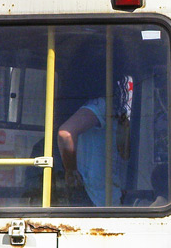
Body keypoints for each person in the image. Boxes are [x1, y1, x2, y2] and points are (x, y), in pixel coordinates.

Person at [56, 50, 134, 207]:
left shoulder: (108, 108)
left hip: (100, 191)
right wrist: (71, 171)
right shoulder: (100, 106)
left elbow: (124, 153)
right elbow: (66, 134)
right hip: (94, 193)